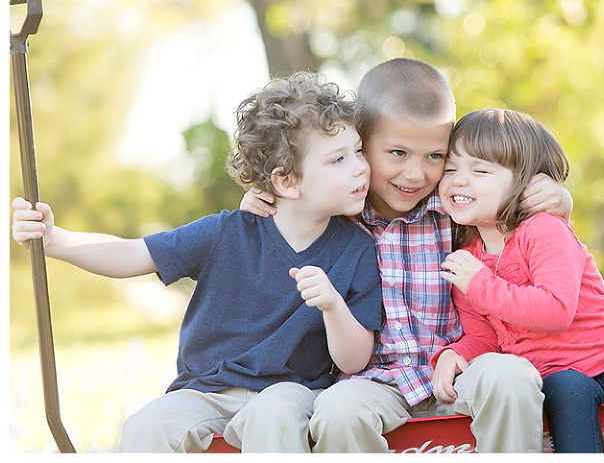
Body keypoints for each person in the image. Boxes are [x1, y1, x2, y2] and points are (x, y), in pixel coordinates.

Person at [11, 73, 382, 453]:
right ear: (286, 182)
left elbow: (353, 360)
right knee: (146, 426)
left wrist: (333, 306)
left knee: (274, 417)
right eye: (338, 159)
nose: (360, 167)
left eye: (357, 151)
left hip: (292, 393)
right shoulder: (225, 233)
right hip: (207, 390)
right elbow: (132, 253)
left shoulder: (356, 249)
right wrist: (58, 240)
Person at [243, 57, 573, 451]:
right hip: (373, 381)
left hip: (460, 362)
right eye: (397, 153)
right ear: (360, 146)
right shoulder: (336, 213)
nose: (416, 175)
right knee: (337, 411)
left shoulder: (455, 206)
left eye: (435, 156)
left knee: (512, 377)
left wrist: (562, 202)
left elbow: (522, 230)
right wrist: (264, 199)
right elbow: (292, 200)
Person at [433, 108, 604, 453]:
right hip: (556, 373)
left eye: (479, 170)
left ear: (525, 182)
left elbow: (556, 308)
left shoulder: (543, 230)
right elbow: (486, 337)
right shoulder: (466, 261)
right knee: (568, 393)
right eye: (450, 169)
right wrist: (456, 353)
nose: (458, 180)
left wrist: (481, 284)